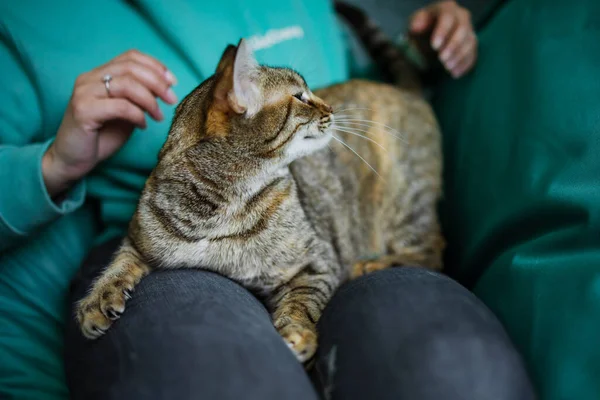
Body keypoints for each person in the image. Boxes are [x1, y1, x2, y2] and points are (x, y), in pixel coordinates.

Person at [0, 1, 534, 399]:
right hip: (172, 249)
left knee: (460, 368)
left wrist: (422, 52)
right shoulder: (31, 18)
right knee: (223, 380)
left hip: (314, 217)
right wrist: (55, 163)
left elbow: (356, 102)